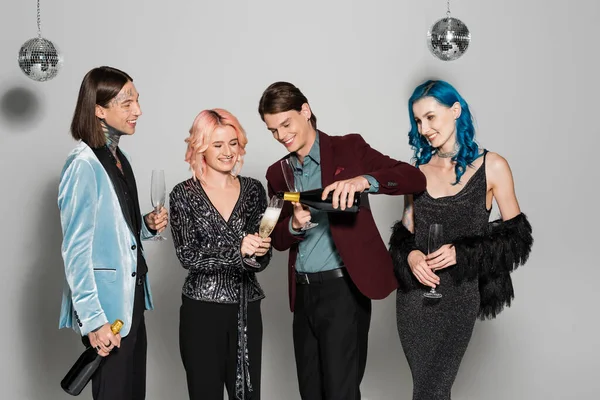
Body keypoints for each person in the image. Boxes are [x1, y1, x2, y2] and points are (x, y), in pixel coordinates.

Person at [259, 81, 426, 400]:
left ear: (305, 112)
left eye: (285, 124)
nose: (281, 136)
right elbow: (271, 235)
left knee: (341, 394)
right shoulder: (276, 174)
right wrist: (292, 225)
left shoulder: (350, 149)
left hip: (344, 293)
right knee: (310, 393)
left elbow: (413, 177)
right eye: (273, 130)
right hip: (303, 297)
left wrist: (366, 180)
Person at [389, 79, 533, 400]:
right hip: (414, 297)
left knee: (433, 389)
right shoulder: (416, 171)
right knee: (429, 391)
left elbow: (518, 238)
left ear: (455, 111)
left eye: (430, 117)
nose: (423, 128)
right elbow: (405, 233)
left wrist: (463, 253)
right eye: (417, 121)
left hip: (459, 297)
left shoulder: (492, 166)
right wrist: (410, 256)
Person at [57, 66, 169, 400]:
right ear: (98, 109)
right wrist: (93, 321)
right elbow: (76, 252)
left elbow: (118, 231)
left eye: (137, 100)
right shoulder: (83, 164)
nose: (138, 110)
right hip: (105, 311)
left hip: (132, 300)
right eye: (127, 102)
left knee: (133, 393)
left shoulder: (121, 158)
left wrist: (145, 226)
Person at [169, 109, 272, 400]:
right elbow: (188, 256)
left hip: (246, 308)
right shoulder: (183, 194)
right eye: (218, 145)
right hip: (201, 312)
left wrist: (260, 251)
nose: (228, 152)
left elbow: (261, 258)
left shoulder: (253, 190)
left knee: (248, 395)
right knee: (204, 394)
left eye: (233, 142)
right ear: (201, 147)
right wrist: (237, 250)